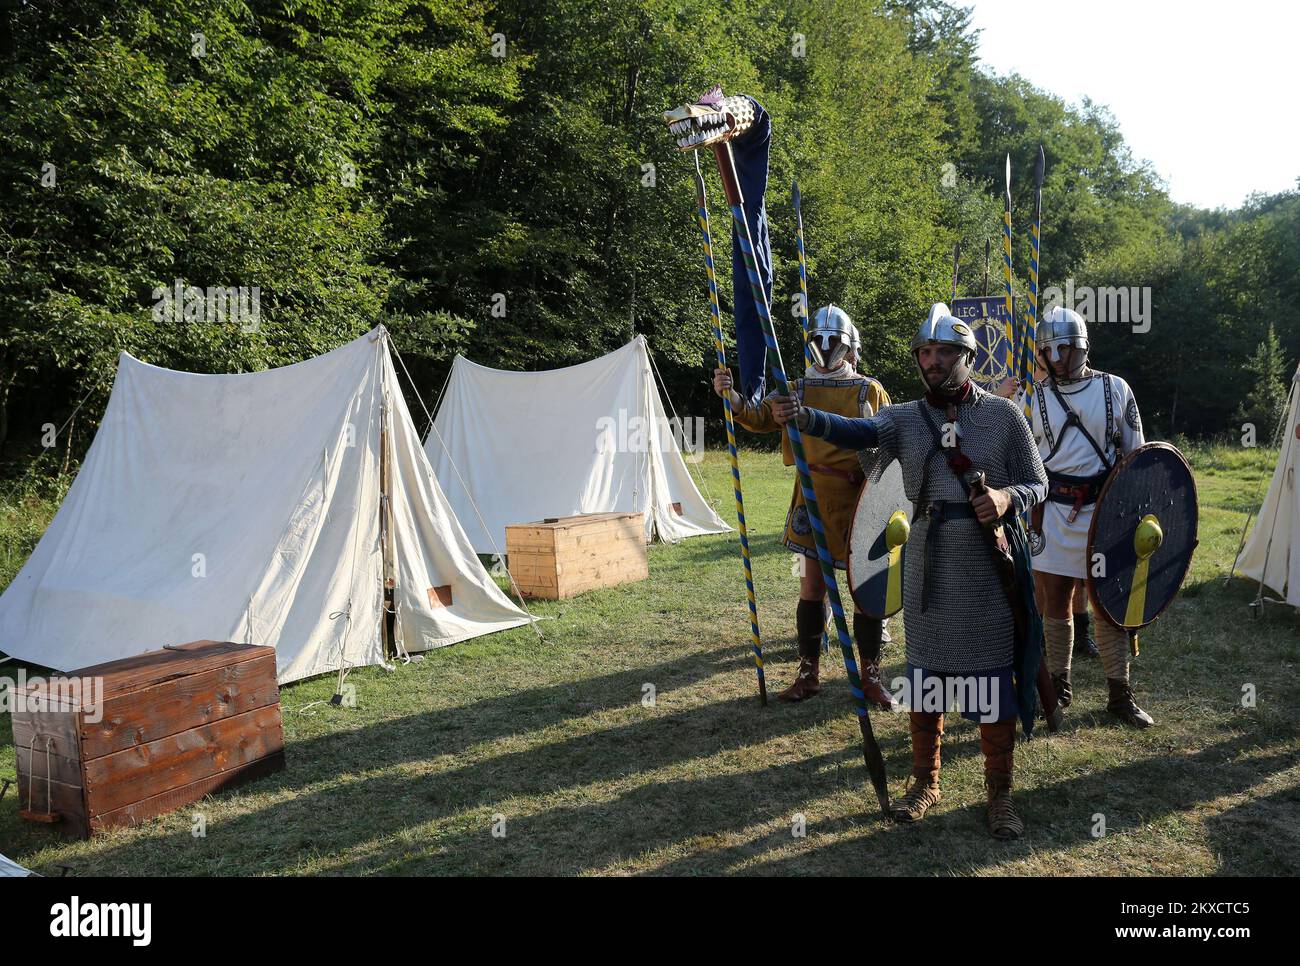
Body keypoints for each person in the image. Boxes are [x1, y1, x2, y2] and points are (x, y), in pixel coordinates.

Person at [769, 303, 1047, 840]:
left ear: (966, 357)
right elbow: (856, 432)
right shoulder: (902, 418)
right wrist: (805, 418)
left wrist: (1006, 496)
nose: (933, 361)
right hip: (926, 557)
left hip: (985, 564)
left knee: (991, 678)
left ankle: (1000, 795)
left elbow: (1039, 482)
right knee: (927, 679)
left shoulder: (1004, 416)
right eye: (925, 352)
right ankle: (925, 782)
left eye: (944, 353)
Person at [713, 305, 895, 708]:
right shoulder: (793, 388)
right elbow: (760, 416)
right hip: (811, 496)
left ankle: (871, 676)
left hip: (859, 499)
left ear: (850, 347)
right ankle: (808, 673)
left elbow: (888, 440)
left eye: (835, 341)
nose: (826, 347)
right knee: (812, 588)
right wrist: (733, 395)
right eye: (819, 340)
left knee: (867, 593)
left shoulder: (868, 390)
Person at [1018, 306, 1152, 727]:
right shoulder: (1032, 397)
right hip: (1052, 513)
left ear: (1083, 347)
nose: (1057, 358)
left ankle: (1119, 694)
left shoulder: (1115, 390)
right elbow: (1021, 458)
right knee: (1055, 602)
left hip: (1104, 512)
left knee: (1107, 603)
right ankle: (1057, 687)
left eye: (1065, 349)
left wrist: (1133, 512)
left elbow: (1135, 454)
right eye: (1049, 350)